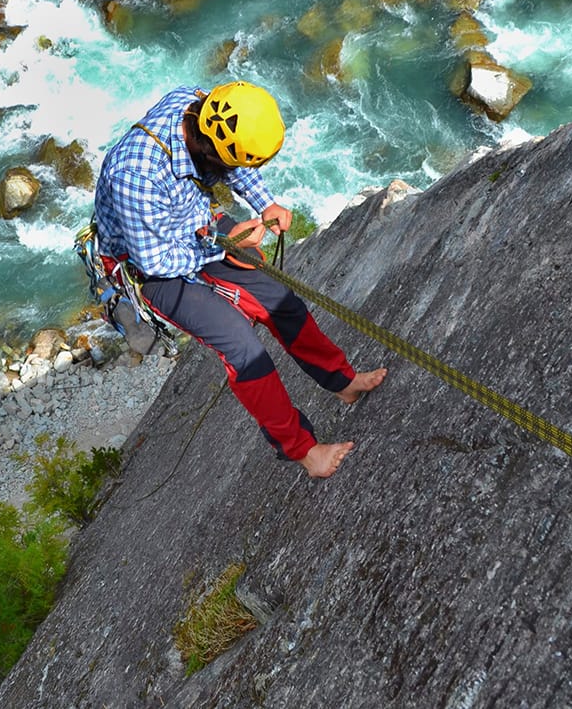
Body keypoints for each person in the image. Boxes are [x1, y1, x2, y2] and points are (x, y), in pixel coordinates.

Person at [93, 81, 387, 479]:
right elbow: (157, 261)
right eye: (226, 163)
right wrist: (226, 244)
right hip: (150, 264)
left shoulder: (199, 104)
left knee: (283, 303)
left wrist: (265, 203)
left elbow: (233, 166)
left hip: (197, 228)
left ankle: (342, 382)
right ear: (208, 150)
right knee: (241, 345)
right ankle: (302, 450)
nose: (233, 172)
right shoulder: (136, 174)